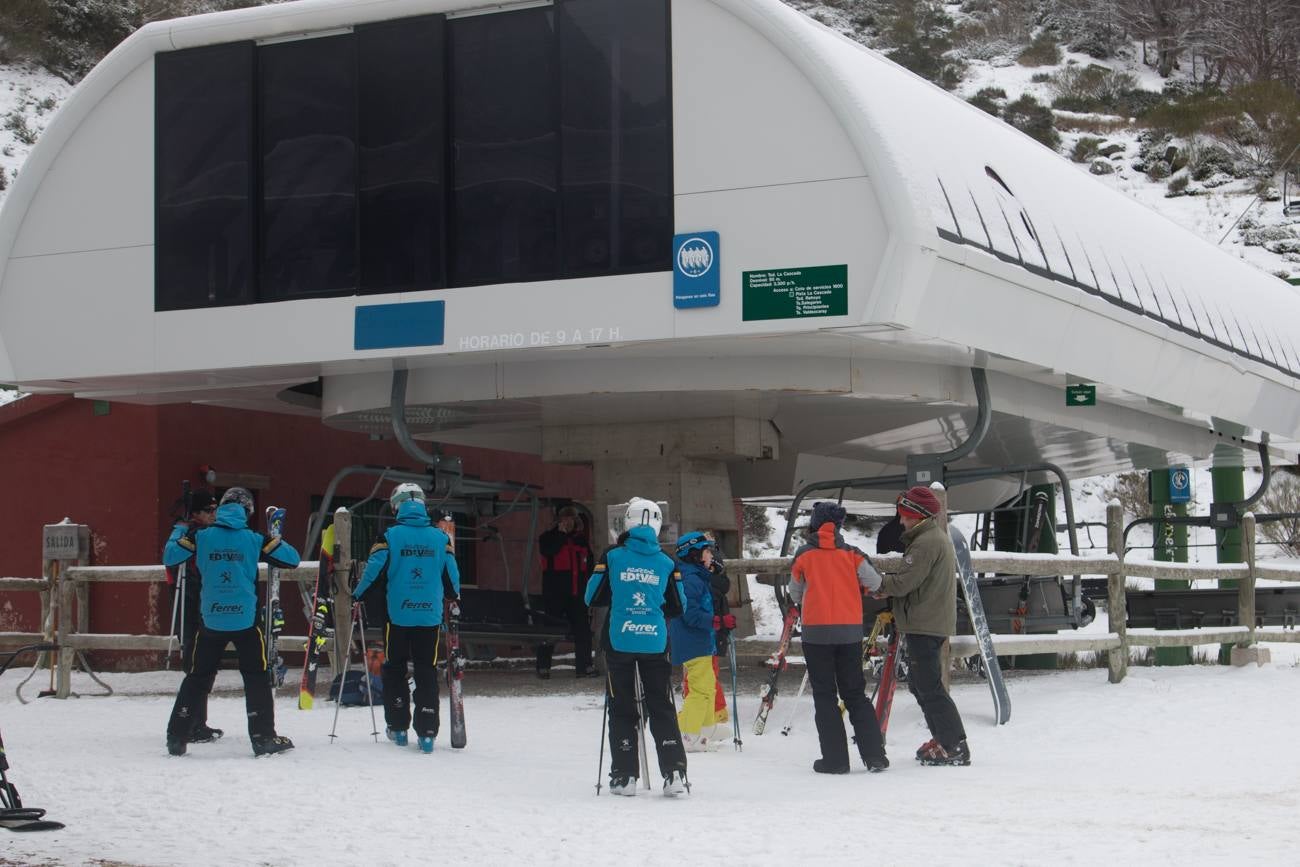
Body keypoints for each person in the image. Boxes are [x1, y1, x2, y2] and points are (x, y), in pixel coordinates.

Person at [163, 487, 301, 757]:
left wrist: (179, 529)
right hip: (245, 621)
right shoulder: (254, 538)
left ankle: (177, 735)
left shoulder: (199, 536)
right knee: (256, 677)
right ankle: (263, 737)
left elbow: (170, 557)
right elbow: (292, 560)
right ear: (247, 512)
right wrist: (275, 538)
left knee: (197, 677)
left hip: (211, 619)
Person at [586, 497, 689, 797]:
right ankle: (674, 773)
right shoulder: (668, 563)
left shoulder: (613, 556)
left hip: (620, 639)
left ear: (627, 522)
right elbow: (678, 605)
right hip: (655, 641)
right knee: (661, 705)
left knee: (621, 707)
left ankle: (624, 775)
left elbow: (592, 596)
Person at [353, 482, 461, 754]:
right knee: (426, 669)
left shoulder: (388, 536)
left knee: (395, 668)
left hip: (397, 615)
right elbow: (452, 579)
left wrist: (358, 595)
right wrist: (452, 595)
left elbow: (374, 572)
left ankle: (398, 727)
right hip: (429, 616)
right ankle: (427, 732)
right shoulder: (440, 538)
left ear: (396, 506)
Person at [788, 501, 888, 774]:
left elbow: (794, 593)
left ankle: (835, 760)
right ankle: (875, 755)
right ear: (840, 526)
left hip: (816, 633)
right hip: (849, 632)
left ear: (815, 525)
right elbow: (876, 583)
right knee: (855, 692)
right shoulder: (852, 554)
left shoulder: (804, 555)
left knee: (824, 694)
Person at [875, 485, 970, 766]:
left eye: (905, 515)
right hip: (926, 621)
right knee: (921, 684)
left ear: (917, 516)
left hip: (925, 623)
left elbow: (906, 581)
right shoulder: (928, 538)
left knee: (929, 686)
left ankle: (954, 745)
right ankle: (943, 739)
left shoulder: (926, 542)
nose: (901, 521)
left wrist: (880, 585)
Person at [162, 488, 222, 743]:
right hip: (190, 603)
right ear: (196, 513)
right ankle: (191, 723)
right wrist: (181, 531)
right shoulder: (184, 533)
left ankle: (199, 721)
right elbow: (171, 557)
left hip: (205, 603)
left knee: (204, 664)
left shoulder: (208, 534)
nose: (214, 514)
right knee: (195, 664)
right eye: (209, 511)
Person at [669, 532, 731, 752]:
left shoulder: (697, 575)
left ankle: (705, 728)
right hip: (692, 642)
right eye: (706, 551)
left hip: (701, 641)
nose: (710, 556)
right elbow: (690, 614)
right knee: (701, 690)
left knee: (708, 688)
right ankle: (688, 734)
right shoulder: (690, 578)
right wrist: (718, 621)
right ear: (694, 554)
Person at [536, 505, 596, 679]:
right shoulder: (547, 538)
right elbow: (549, 551)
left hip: (578, 594)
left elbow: (590, 566)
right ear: (559, 521)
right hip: (554, 594)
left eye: (572, 520)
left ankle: (584, 667)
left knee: (582, 631)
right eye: (565, 519)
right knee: (549, 630)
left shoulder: (581, 540)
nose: (569, 523)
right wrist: (561, 535)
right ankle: (543, 666)